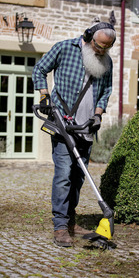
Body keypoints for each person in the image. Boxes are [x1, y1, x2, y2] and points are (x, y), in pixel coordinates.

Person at [32, 20, 116, 247]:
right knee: (63, 175)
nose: (101, 51)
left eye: (106, 48)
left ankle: (70, 221)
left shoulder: (106, 61)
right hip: (62, 124)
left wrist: (98, 114)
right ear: (89, 36)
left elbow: (106, 90)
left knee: (79, 177)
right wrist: (44, 95)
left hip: (86, 128)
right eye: (99, 46)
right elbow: (39, 69)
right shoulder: (64, 48)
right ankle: (60, 227)